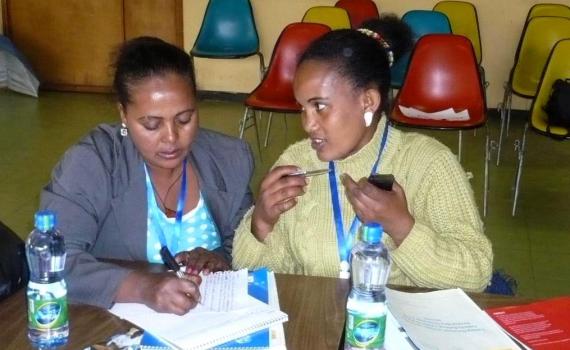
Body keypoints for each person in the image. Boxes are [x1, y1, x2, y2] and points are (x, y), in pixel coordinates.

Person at [232, 15, 493, 292]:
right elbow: (258, 279)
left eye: (320, 106)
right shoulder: (295, 163)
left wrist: (401, 226)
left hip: (399, 327)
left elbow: (476, 275)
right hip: (316, 323)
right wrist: (261, 224)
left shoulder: (427, 162)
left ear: (367, 101)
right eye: (302, 108)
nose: (307, 124)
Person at [40, 37, 254, 314]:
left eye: (184, 119)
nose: (171, 138)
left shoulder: (229, 159)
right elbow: (51, 259)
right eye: (151, 124)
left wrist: (219, 258)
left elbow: (242, 246)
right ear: (124, 114)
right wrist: (144, 288)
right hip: (111, 324)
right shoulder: (95, 162)